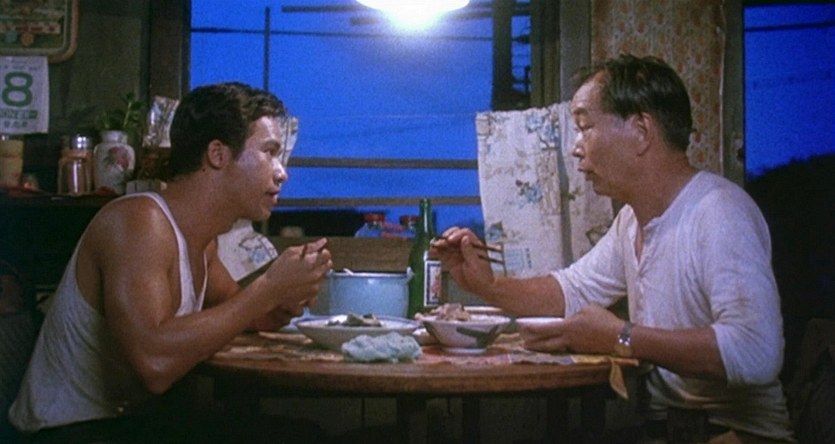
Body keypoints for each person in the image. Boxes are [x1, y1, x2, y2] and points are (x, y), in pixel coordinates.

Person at [432, 55, 794, 443]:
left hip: (739, 434)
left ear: (641, 131)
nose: (576, 148)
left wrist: (620, 336)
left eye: (585, 127)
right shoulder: (631, 221)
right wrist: (485, 285)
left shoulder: (719, 211)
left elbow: (756, 352)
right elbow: (569, 291)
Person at [8, 82, 333, 443]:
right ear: (217, 154)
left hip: (133, 424)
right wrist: (268, 288)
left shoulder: (202, 242)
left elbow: (244, 313)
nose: (282, 172)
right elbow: (154, 363)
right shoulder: (139, 222)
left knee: (304, 434)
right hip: (66, 431)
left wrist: (283, 300)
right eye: (269, 152)